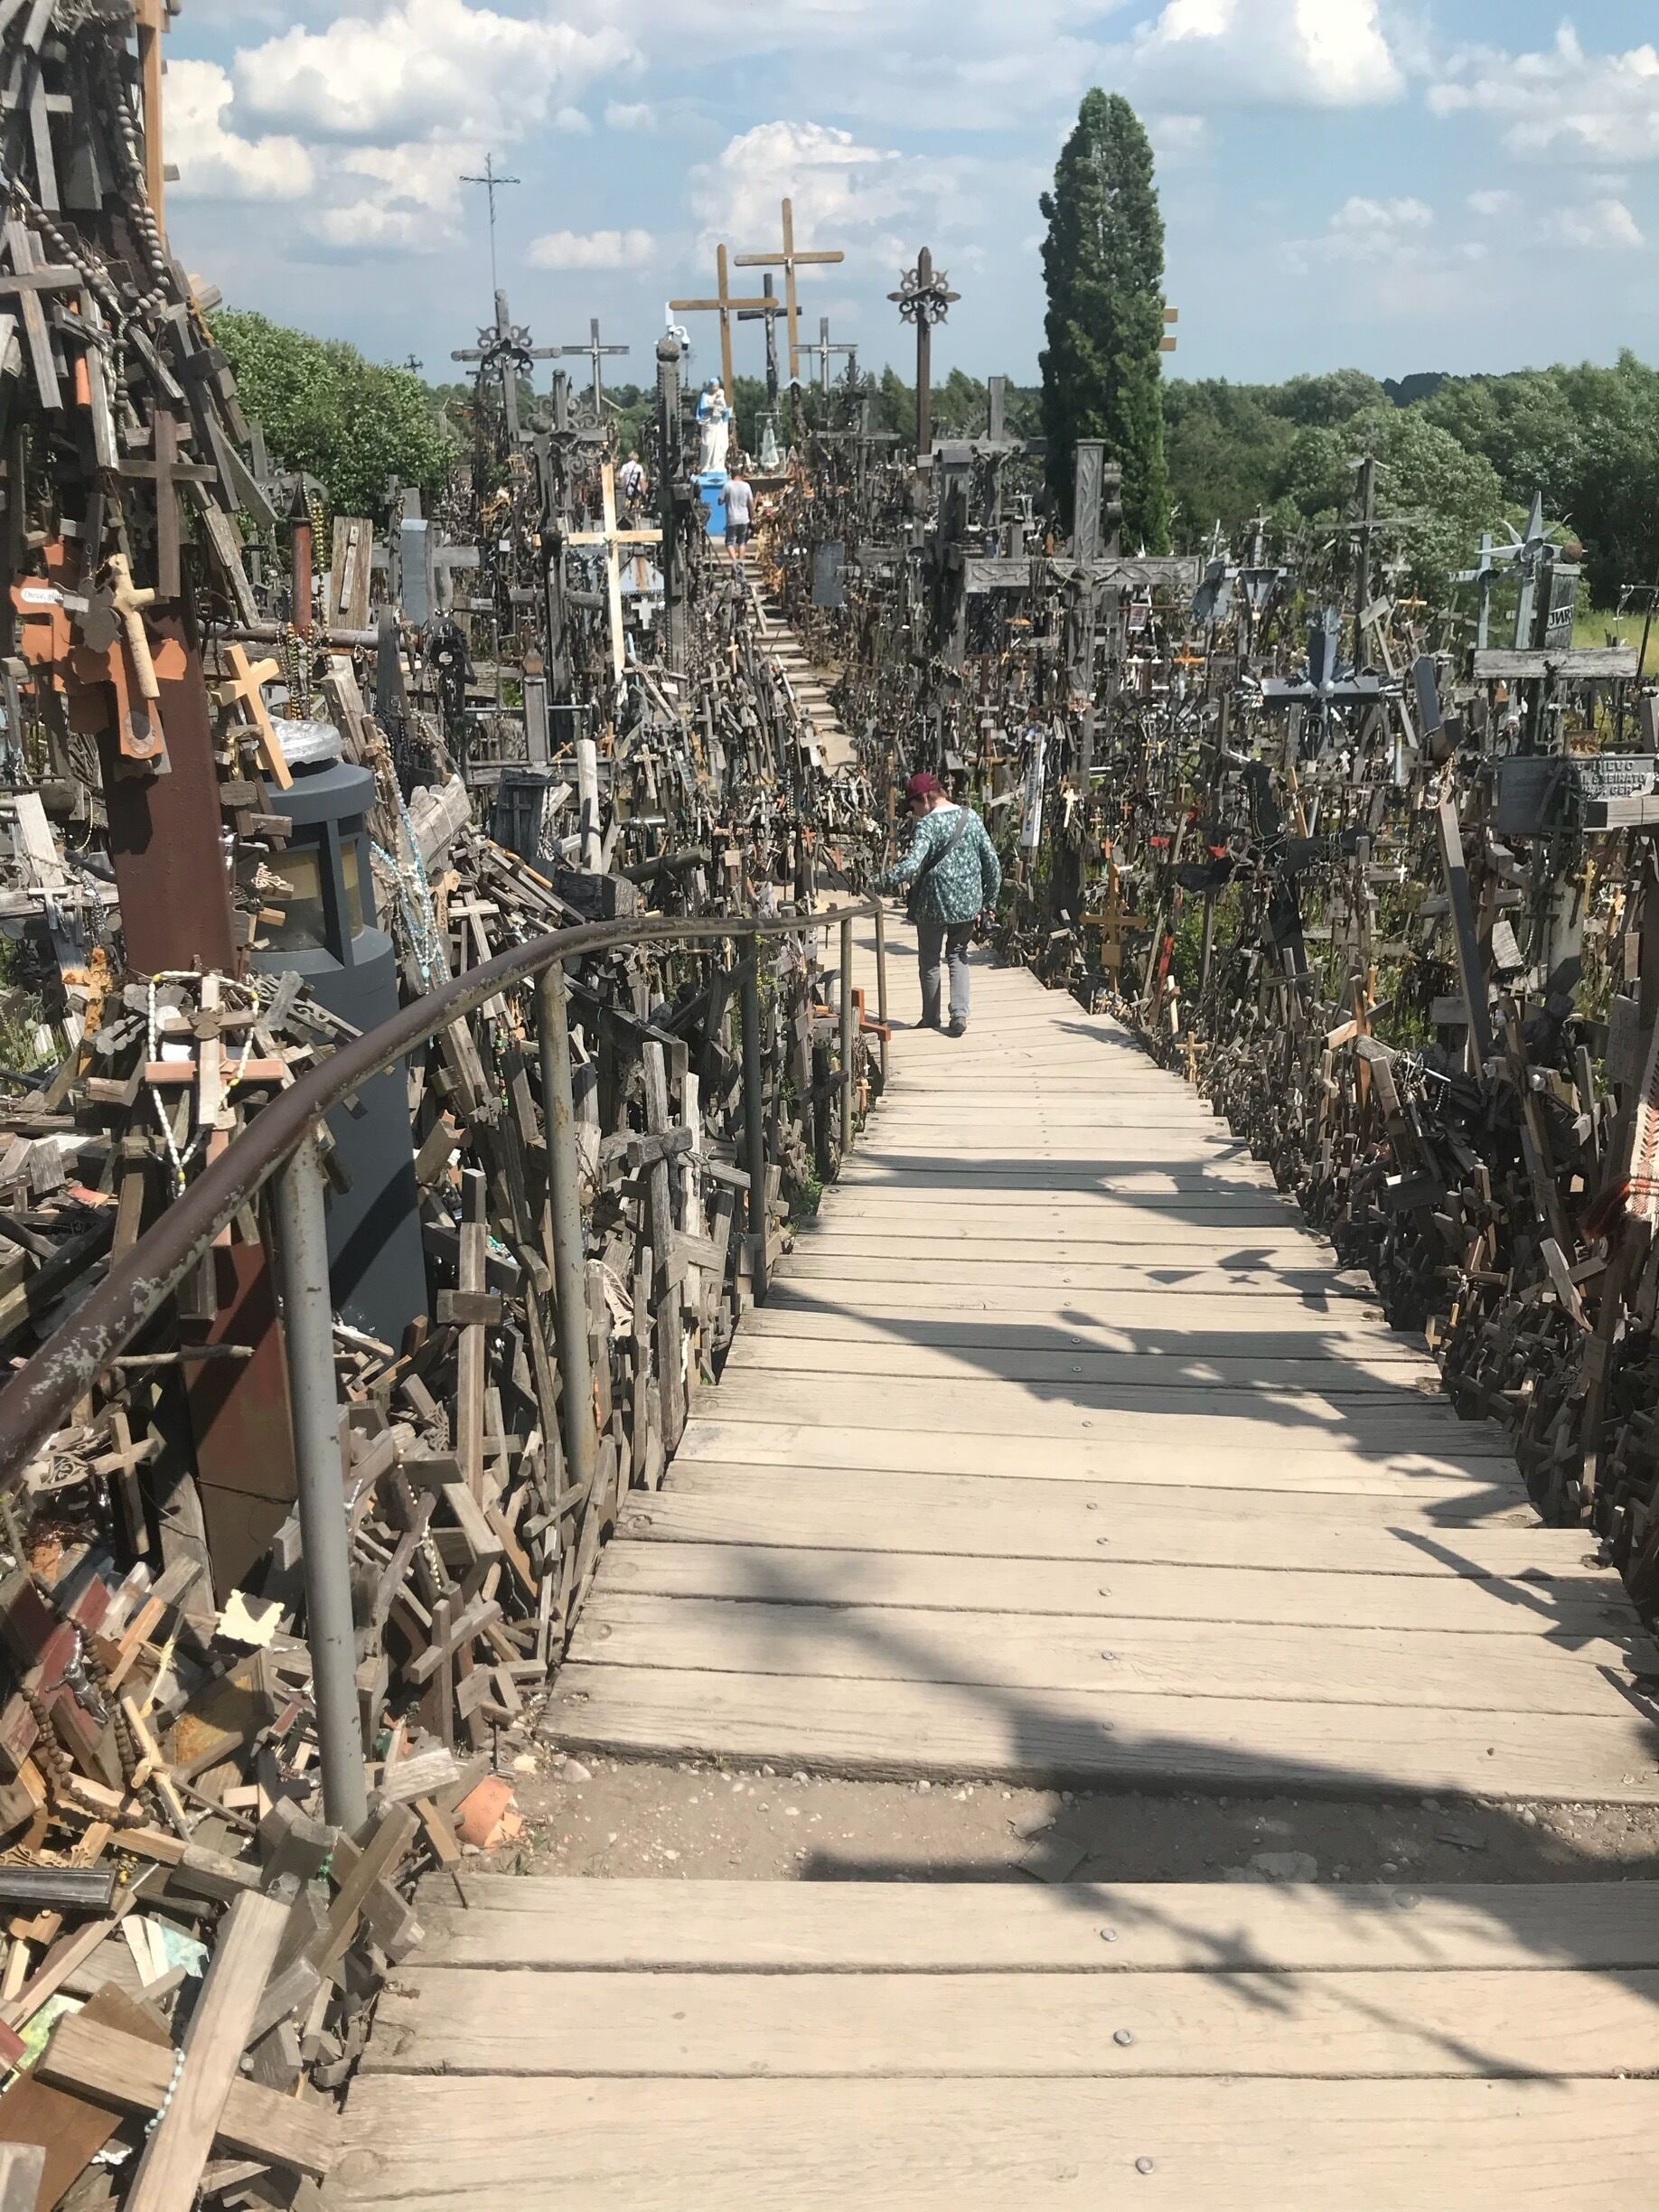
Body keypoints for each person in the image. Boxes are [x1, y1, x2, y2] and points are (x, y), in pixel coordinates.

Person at [876, 772, 1001, 1037]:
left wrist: (880, 880)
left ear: (924, 798)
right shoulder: (971, 818)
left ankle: (931, 1017)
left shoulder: (928, 826)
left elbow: (912, 864)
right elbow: (992, 863)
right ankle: (959, 1015)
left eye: (914, 806)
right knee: (958, 955)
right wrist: (989, 903)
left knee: (930, 960)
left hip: (933, 903)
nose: (915, 812)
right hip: (968, 903)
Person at [724, 464, 754, 566]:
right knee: (742, 542)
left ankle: (735, 562)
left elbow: (720, 500)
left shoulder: (727, 486)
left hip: (732, 518)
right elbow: (751, 504)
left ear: (731, 474)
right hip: (744, 518)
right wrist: (752, 517)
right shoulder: (746, 486)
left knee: (729, 542)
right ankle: (740, 562)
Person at [618, 449, 646, 515]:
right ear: (636, 459)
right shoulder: (639, 467)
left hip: (627, 490)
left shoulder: (624, 467)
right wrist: (644, 492)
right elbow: (641, 481)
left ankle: (628, 513)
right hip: (636, 490)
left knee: (627, 505)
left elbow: (620, 478)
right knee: (637, 505)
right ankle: (636, 515)